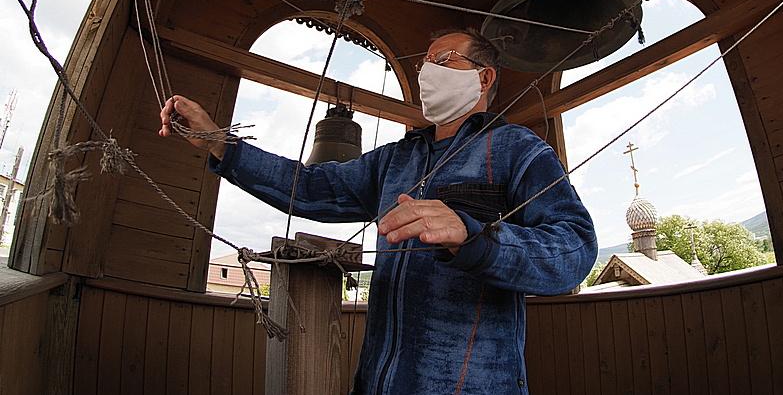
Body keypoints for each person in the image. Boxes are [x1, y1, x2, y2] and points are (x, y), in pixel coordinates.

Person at [159, 28, 597, 395]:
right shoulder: (395, 159)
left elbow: (575, 250)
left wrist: (474, 234)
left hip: (476, 383)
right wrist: (222, 143)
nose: (427, 71)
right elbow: (311, 188)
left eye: (443, 59)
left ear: (483, 78)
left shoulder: (517, 149)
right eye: (424, 62)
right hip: (378, 381)